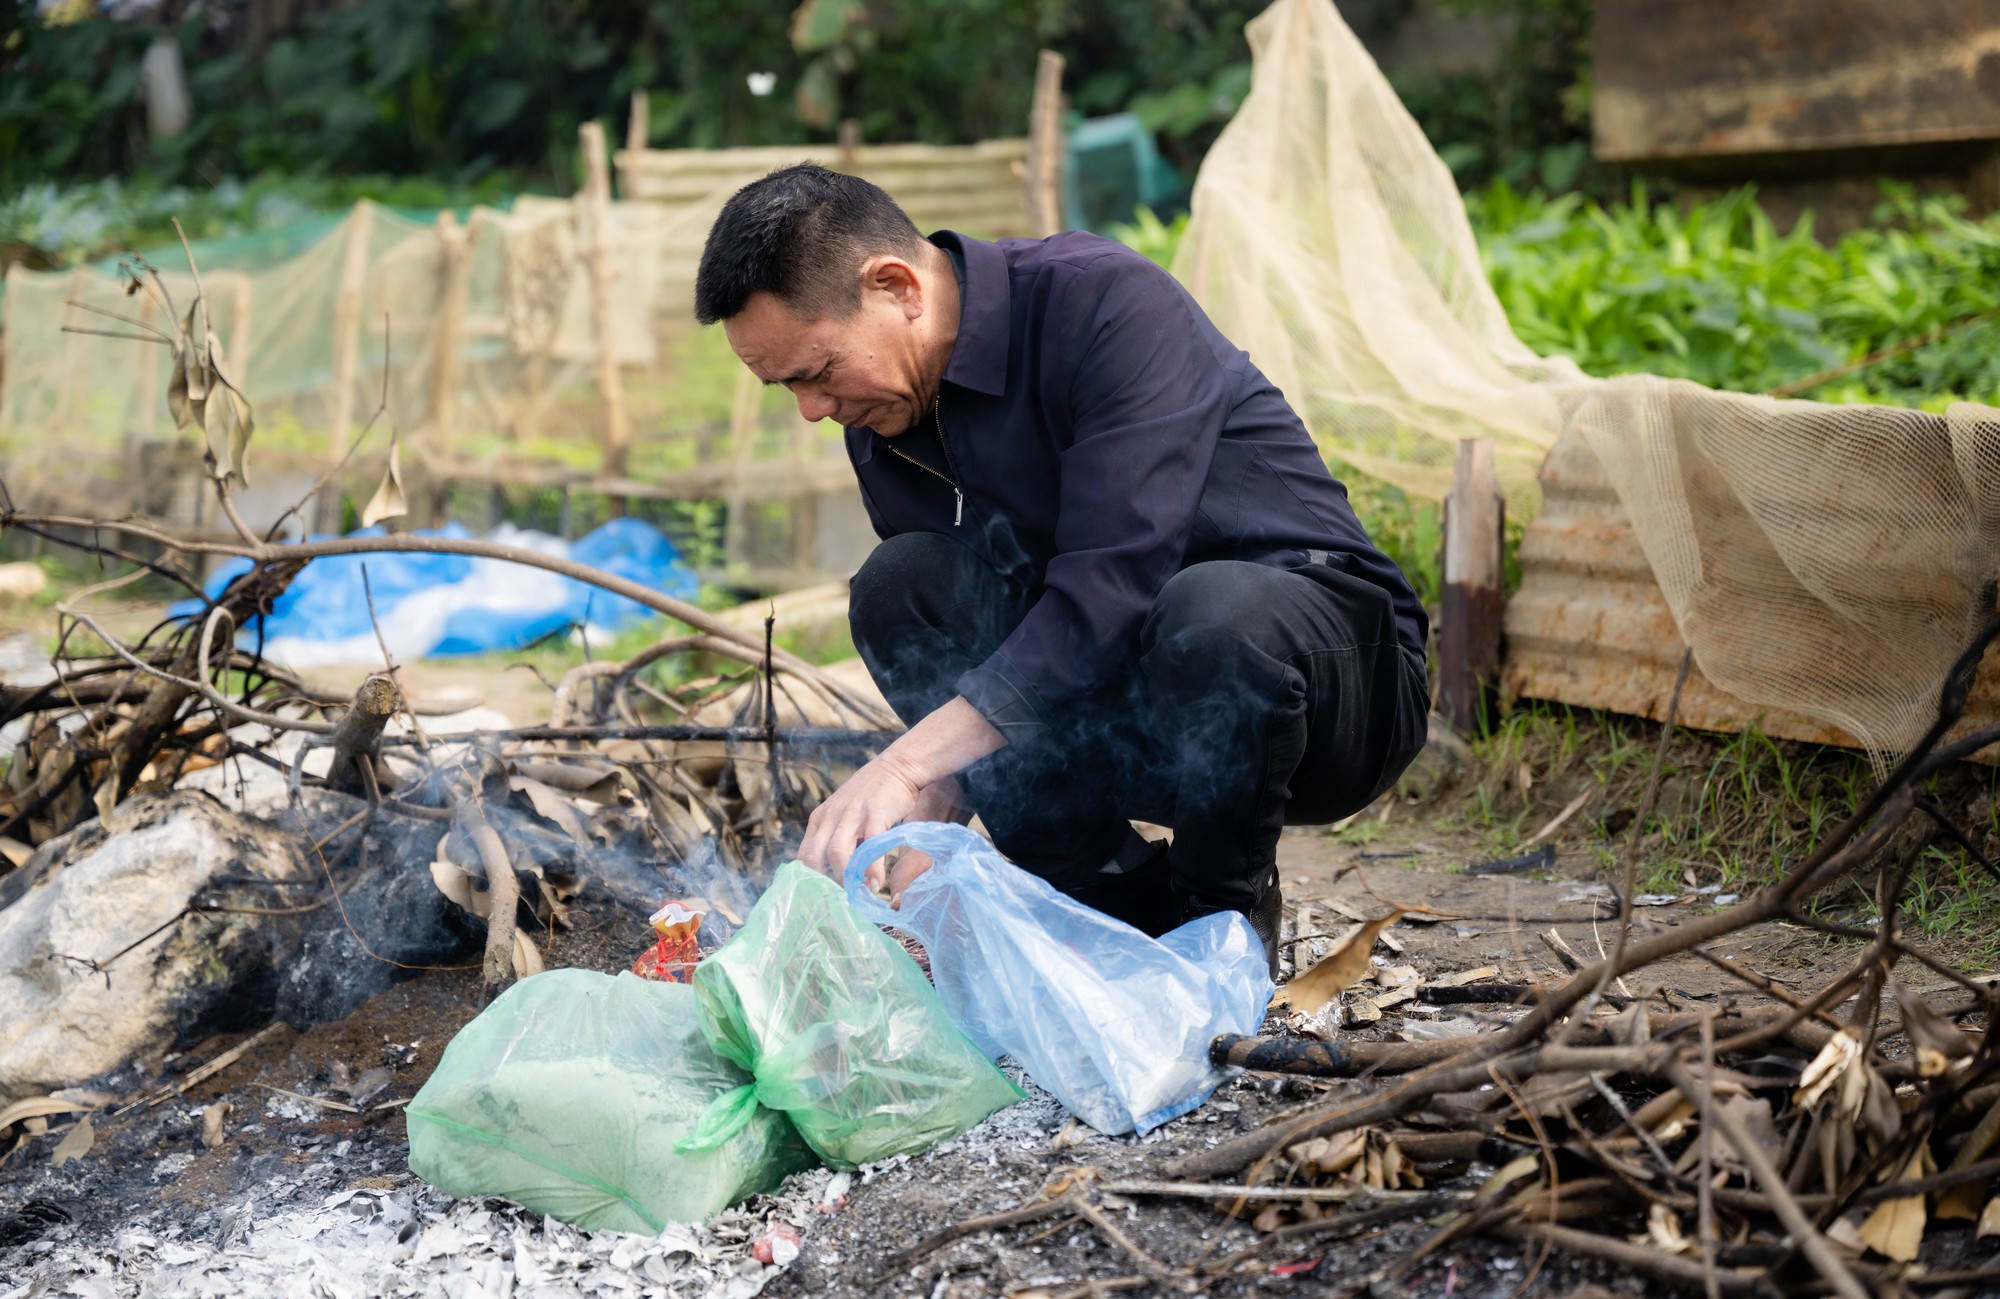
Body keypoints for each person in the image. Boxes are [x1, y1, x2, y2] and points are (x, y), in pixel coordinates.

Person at [693, 163, 1430, 971]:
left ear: (897, 286)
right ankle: (1121, 917)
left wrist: (903, 764)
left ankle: (1220, 935)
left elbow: (1111, 589)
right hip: (1137, 712)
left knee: (1211, 613)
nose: (811, 410)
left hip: (1332, 693)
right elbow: (985, 658)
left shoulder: (1103, 303)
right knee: (901, 586)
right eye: (785, 388)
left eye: (818, 371)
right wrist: (930, 821)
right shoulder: (882, 425)